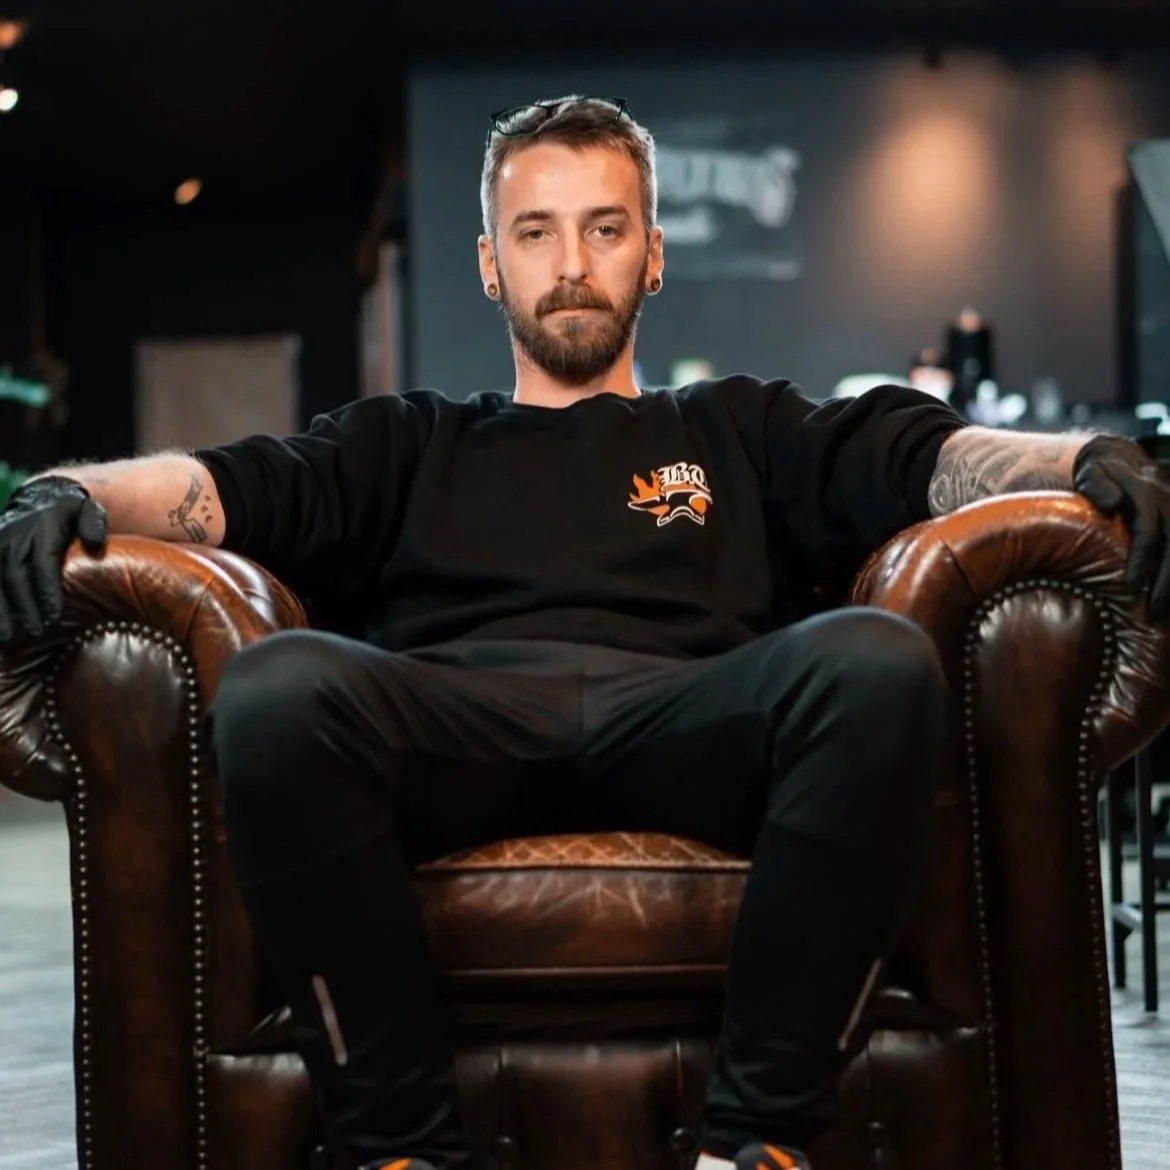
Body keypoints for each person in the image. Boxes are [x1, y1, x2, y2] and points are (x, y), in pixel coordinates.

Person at [1, 96, 1169, 1170]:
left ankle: (754, 1144)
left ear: (653, 254)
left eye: (606, 228)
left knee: (874, 661)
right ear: (489, 264)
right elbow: (224, 487)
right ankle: (401, 1149)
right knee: (276, 689)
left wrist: (1081, 462)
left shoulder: (737, 424)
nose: (570, 265)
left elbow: (926, 458)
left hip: (695, 717)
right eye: (535, 232)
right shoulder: (410, 440)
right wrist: (72, 492)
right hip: (460, 724)